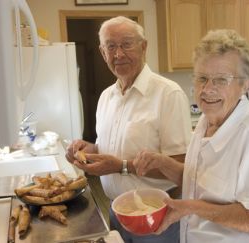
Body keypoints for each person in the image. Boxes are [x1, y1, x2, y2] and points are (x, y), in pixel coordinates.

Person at [133, 29, 249, 242]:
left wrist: (189, 207)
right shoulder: (207, 119)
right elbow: (201, 184)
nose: (207, 89)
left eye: (221, 80)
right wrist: (163, 163)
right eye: (202, 78)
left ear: (245, 84)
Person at [65, 16, 191, 243]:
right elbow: (110, 148)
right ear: (103, 53)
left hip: (157, 217)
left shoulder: (168, 94)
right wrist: (87, 150)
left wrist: (122, 166)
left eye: (126, 44)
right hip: (116, 211)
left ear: (144, 47)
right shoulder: (106, 97)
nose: (119, 54)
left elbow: (182, 166)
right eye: (111, 46)